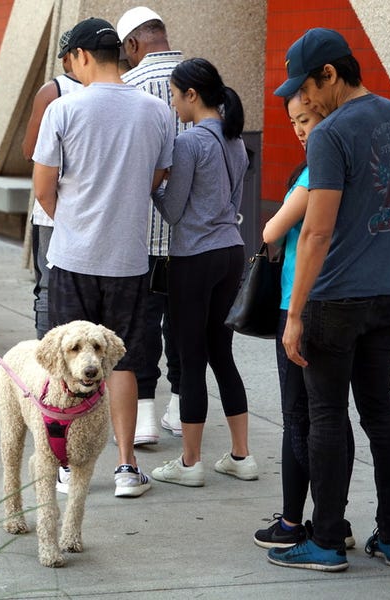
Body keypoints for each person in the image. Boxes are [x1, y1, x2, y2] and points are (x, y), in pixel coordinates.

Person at [270, 28, 390, 572]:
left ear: (330, 74)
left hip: (331, 300)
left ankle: (328, 541)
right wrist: (389, 270)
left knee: (327, 415)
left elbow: (314, 232)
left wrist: (294, 314)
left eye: (306, 89)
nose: (304, 101)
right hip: (384, 295)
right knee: (382, 413)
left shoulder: (333, 133)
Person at [32, 18, 174, 498]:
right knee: (124, 361)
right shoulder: (156, 111)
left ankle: (68, 464)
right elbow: (159, 175)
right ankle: (126, 467)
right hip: (129, 258)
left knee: (67, 363)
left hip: (72, 255)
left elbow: (43, 187)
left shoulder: (64, 108)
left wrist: (74, 219)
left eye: (68, 59)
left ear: (82, 57)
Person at [254, 92, 357, 550]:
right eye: (294, 121)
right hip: (343, 299)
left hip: (299, 304)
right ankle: (335, 520)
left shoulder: (317, 172)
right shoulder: (353, 170)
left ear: (327, 117)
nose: (299, 130)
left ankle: (296, 523)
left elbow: (271, 231)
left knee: (300, 417)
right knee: (334, 416)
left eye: (306, 119)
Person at [149, 58, 254, 488]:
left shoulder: (190, 143)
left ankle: (190, 463)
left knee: (191, 357)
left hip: (194, 257)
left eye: (175, 95)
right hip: (231, 252)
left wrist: (154, 185)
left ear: (193, 94)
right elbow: (230, 204)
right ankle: (240, 456)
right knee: (221, 353)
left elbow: (173, 211)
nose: (173, 104)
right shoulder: (236, 142)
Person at [117, 6, 188, 445]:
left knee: (140, 326)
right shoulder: (206, 81)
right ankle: (180, 409)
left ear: (131, 45)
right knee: (185, 325)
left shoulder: (128, 88)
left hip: (139, 235)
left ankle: (143, 417)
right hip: (193, 238)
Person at [22, 30, 82, 344]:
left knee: (48, 284)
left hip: (52, 207)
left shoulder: (53, 90)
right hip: (93, 208)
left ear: (67, 56)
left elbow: (29, 149)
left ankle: (44, 358)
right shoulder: (116, 87)